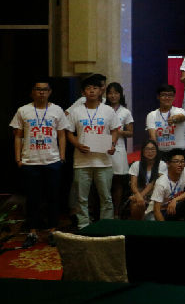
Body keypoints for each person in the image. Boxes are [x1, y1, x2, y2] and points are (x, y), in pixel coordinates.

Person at [11, 77, 70, 246]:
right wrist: (18, 158)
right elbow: (18, 136)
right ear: (32, 93)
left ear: (50, 92)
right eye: (38, 89)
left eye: (45, 89)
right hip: (30, 161)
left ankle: (52, 231)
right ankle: (32, 232)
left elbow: (62, 135)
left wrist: (62, 156)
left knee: (53, 198)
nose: (41, 92)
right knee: (32, 199)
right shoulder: (23, 110)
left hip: (52, 160)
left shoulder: (57, 110)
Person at [66, 75, 122, 229]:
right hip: (82, 161)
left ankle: (106, 226)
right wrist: (77, 144)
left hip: (103, 161)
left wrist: (112, 144)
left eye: (95, 88)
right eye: (88, 88)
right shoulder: (76, 111)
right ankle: (83, 226)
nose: (92, 91)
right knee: (81, 198)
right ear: (83, 92)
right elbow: (69, 133)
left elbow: (115, 130)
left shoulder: (108, 110)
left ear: (100, 91)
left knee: (106, 197)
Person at [103, 83, 134, 219]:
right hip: (103, 147)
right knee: (103, 182)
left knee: (117, 182)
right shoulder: (102, 109)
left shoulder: (125, 111)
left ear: (120, 95)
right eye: (110, 93)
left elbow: (131, 133)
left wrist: (117, 131)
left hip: (119, 149)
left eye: (116, 93)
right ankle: (104, 214)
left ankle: (116, 213)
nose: (113, 95)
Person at [148, 149, 185, 221]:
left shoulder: (184, 171)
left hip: (173, 207)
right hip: (160, 210)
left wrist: (175, 200)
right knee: (151, 220)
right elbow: (156, 210)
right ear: (168, 164)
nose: (180, 165)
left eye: (182, 161)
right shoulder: (161, 182)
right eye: (176, 161)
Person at [146, 84, 185, 159]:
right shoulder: (151, 115)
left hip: (179, 151)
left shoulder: (180, 111)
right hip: (161, 152)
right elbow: (153, 137)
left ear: (174, 97)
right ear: (158, 97)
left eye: (170, 95)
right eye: (164, 95)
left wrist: (174, 119)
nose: (167, 98)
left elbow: (182, 117)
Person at [127, 139, 165, 220]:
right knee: (137, 205)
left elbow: (153, 183)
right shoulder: (136, 165)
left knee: (140, 202)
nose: (150, 152)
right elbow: (133, 185)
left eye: (153, 149)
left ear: (157, 151)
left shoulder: (162, 164)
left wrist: (140, 196)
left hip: (156, 196)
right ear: (143, 151)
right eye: (147, 149)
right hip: (140, 194)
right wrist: (138, 196)